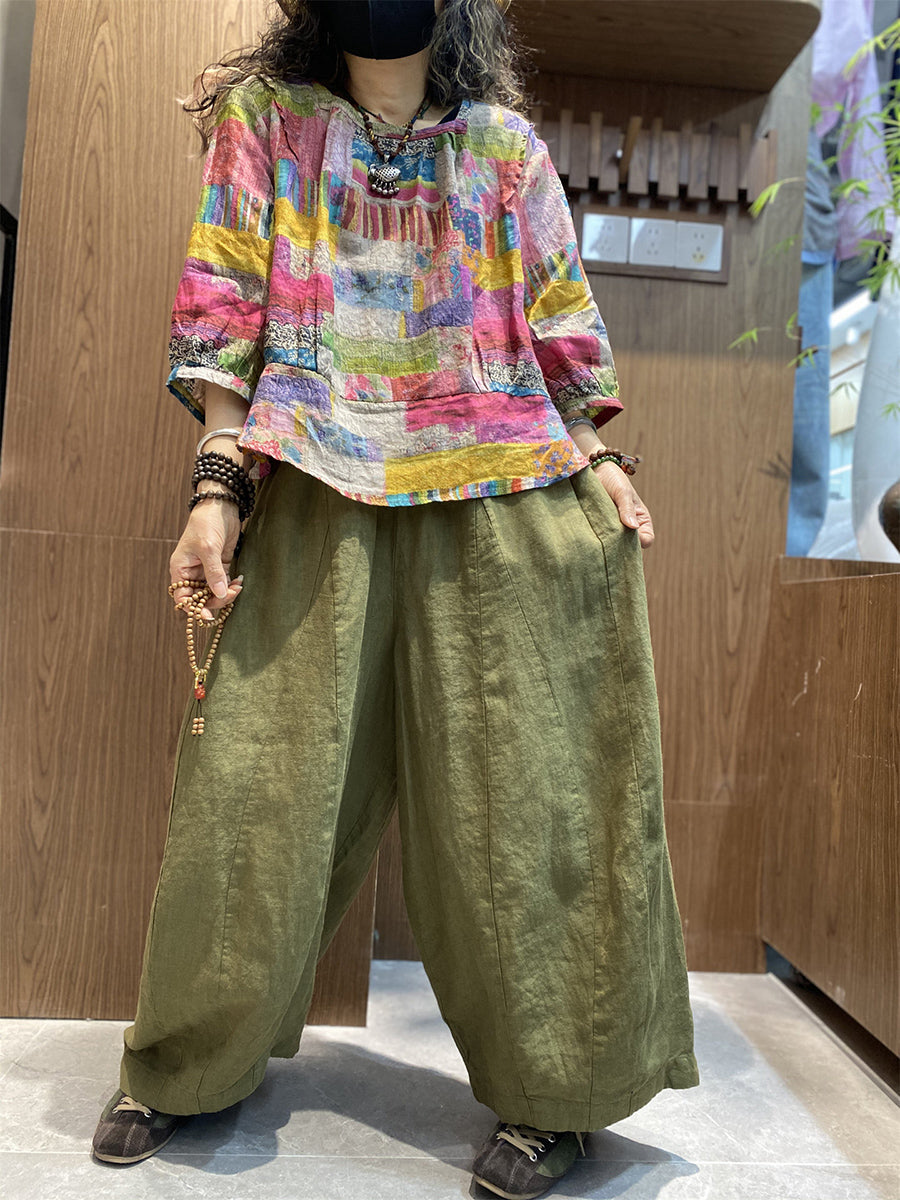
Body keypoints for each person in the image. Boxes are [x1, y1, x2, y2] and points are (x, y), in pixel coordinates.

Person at [90, 1, 700, 1195]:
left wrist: (603, 463)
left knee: (527, 806)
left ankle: (555, 1092)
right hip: (318, 475)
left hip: (506, 486)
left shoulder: (505, 148)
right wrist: (217, 487)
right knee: (254, 794)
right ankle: (184, 1065)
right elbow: (225, 299)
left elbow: (560, 318)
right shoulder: (267, 123)